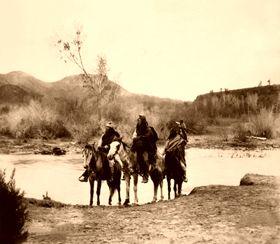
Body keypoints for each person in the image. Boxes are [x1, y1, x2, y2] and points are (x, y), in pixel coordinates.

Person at [131, 115, 159, 183]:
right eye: (138, 120)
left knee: (145, 159)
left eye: (140, 120)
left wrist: (139, 138)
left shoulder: (148, 128)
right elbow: (134, 136)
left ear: (143, 121)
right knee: (131, 156)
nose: (138, 121)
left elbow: (148, 136)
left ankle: (145, 175)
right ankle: (130, 170)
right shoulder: (137, 128)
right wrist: (135, 138)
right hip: (139, 147)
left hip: (148, 147)